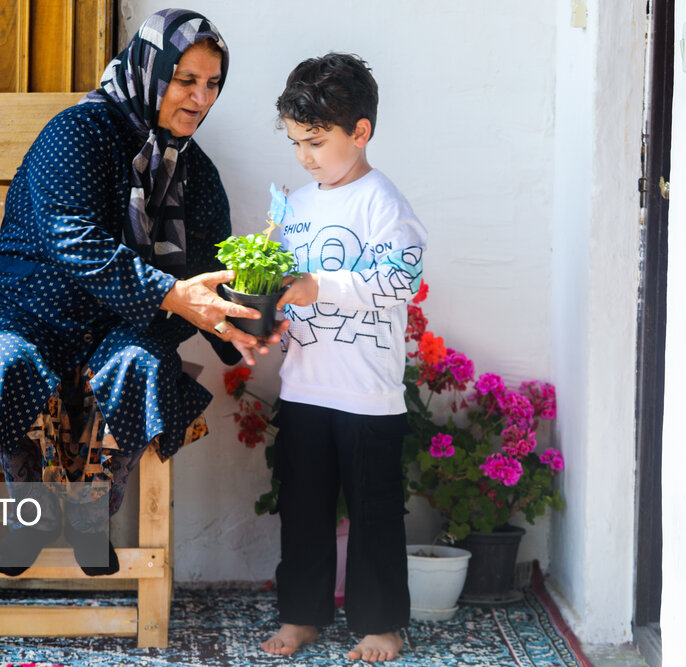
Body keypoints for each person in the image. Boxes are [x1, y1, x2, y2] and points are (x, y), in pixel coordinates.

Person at [0, 8, 283, 577]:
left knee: (141, 363)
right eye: (186, 80)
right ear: (151, 70)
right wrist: (177, 295)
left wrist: (237, 323)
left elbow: (212, 266)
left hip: (124, 324)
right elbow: (75, 242)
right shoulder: (77, 133)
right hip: (35, 307)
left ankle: (91, 514)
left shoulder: (196, 172)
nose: (200, 98)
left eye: (212, 84)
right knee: (2, 363)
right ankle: (31, 511)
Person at [260, 53, 427, 663]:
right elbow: (280, 279)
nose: (305, 156)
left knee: (374, 511)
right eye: (296, 142)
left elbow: (400, 279)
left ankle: (381, 623)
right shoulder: (297, 204)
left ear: (361, 132)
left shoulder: (383, 202)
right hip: (305, 388)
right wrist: (266, 310)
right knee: (301, 507)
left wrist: (320, 287)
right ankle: (302, 614)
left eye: (317, 141)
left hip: (367, 394)